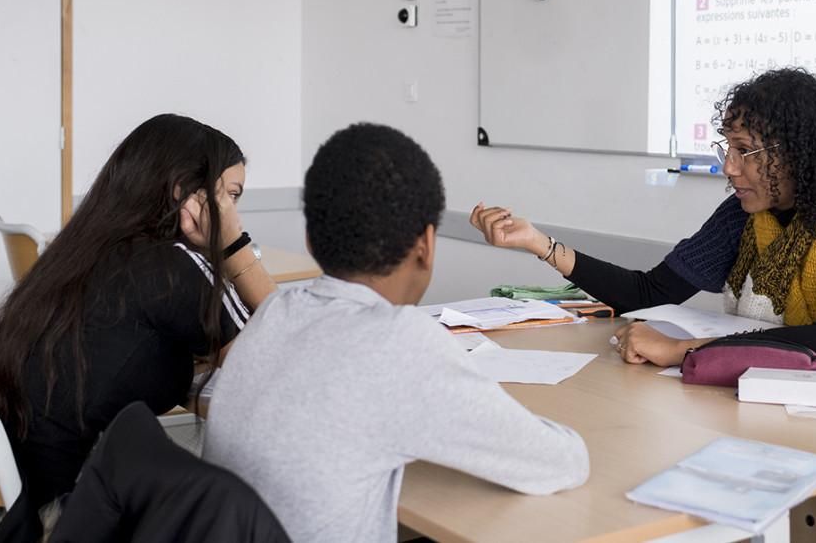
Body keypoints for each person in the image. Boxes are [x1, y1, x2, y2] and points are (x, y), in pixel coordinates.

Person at [204, 122, 589, 543]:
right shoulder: (399, 343)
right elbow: (563, 463)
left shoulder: (275, 314)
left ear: (312, 241)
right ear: (426, 243)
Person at [471, 67, 816, 368]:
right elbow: (648, 292)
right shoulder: (746, 212)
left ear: (798, 155)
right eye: (727, 148)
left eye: (745, 151)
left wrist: (679, 351)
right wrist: (541, 245)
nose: (729, 167)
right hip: (785, 389)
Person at [0, 114, 277, 505]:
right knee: (240, 500)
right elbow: (278, 354)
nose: (236, 213)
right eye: (231, 197)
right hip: (69, 505)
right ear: (186, 192)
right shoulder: (174, 267)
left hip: (10, 489)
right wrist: (232, 246)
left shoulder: (83, 249)